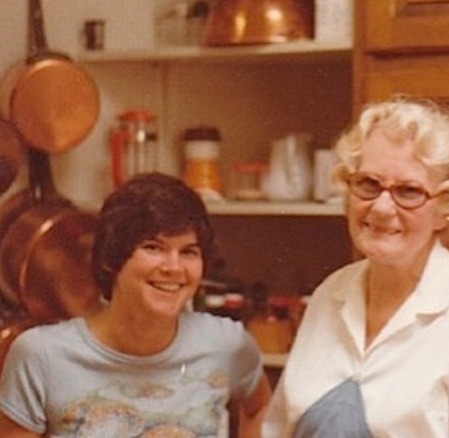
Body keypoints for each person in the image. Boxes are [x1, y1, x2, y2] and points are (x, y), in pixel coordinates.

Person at [262, 96, 449, 437]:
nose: (383, 208)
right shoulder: (331, 292)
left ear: (445, 207)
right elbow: (279, 428)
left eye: (409, 191)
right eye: (369, 185)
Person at [0, 172, 271, 437]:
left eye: (188, 251)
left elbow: (260, 409)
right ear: (112, 258)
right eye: (153, 247)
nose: (174, 267)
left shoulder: (227, 344)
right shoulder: (40, 355)